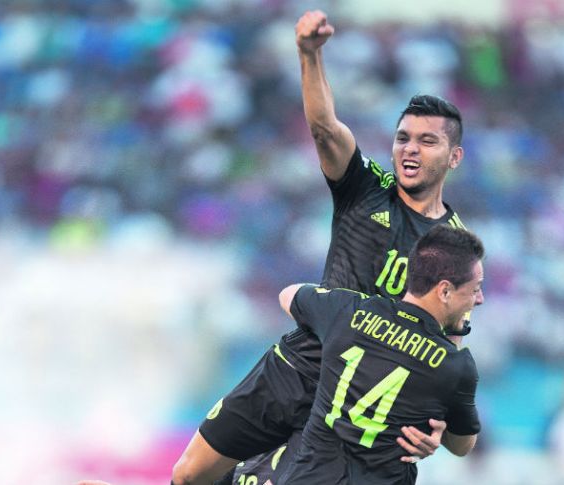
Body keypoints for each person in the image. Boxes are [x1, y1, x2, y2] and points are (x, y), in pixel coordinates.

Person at [171, 9, 473, 485]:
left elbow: (448, 347)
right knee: (191, 475)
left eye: (427, 141)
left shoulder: (456, 246)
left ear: (453, 156)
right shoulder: (366, 187)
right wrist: (309, 54)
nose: (410, 150)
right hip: (297, 367)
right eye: (402, 138)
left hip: (357, 405)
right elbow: (326, 129)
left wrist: (435, 426)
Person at [271, 224, 484, 484]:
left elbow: (287, 294)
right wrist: (454, 339)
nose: (479, 298)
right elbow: (463, 446)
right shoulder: (454, 364)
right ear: (445, 291)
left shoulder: (349, 311)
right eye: (474, 289)